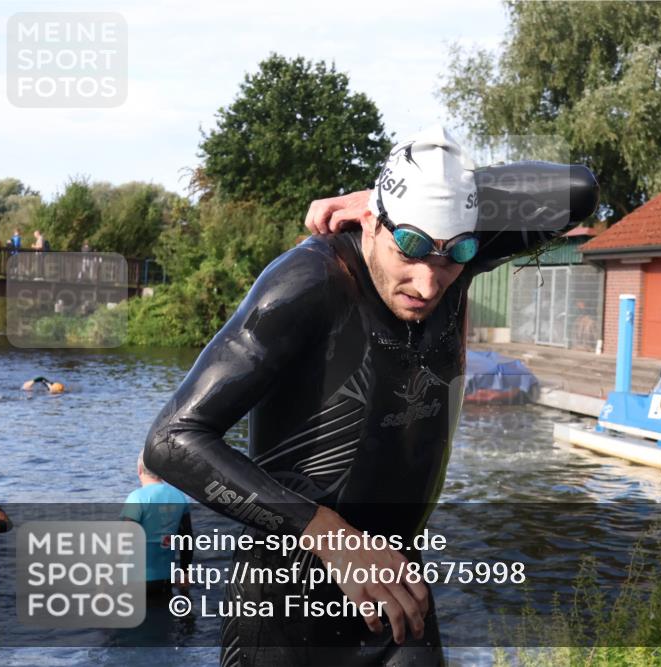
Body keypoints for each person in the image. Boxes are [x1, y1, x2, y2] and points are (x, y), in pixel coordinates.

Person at [144, 125, 598, 666]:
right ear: (375, 224)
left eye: (454, 254)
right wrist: (336, 539)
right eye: (410, 245)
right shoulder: (309, 281)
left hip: (396, 593)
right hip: (285, 610)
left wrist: (440, 199)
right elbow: (171, 441)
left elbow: (577, 191)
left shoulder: (457, 255)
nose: (429, 284)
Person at [121, 450, 193, 601]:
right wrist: (185, 572)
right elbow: (187, 539)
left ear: (139, 470)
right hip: (165, 581)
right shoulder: (179, 497)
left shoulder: (137, 498)